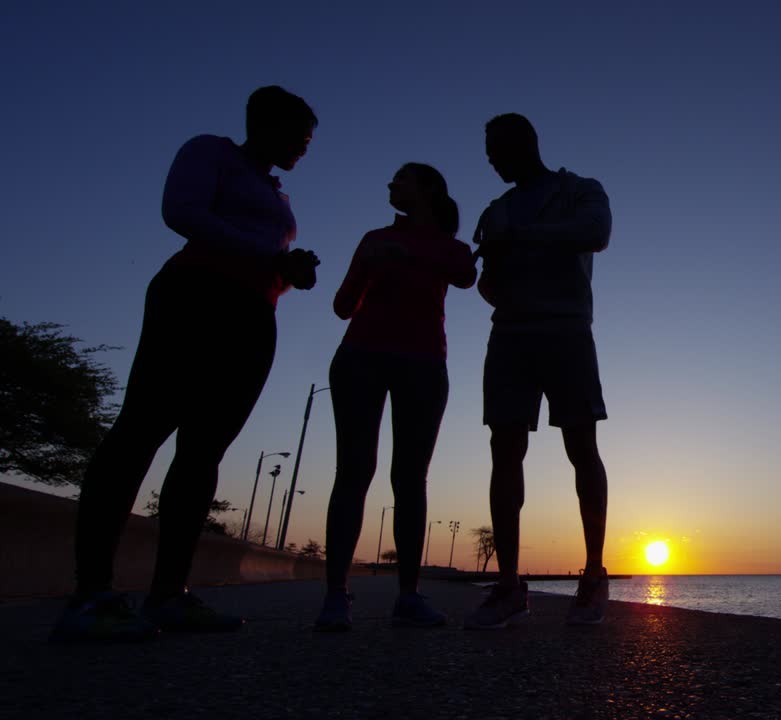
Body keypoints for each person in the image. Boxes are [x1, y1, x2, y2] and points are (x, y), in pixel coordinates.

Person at [52, 86, 321, 642]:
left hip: (254, 313)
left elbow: (260, 253)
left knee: (203, 452)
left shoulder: (277, 193)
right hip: (195, 297)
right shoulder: (210, 151)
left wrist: (290, 271)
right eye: (299, 135)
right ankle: (91, 595)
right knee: (140, 431)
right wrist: (271, 255)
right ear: (265, 123)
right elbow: (182, 213)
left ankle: (168, 595)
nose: (304, 147)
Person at [463, 113, 612, 629]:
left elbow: (596, 232)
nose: (491, 161)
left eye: (496, 150)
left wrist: (520, 237)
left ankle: (593, 575)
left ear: (524, 143)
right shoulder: (495, 209)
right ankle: (508, 585)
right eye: (488, 152)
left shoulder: (580, 189)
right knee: (504, 450)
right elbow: (486, 283)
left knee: (581, 446)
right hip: (509, 335)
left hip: (568, 331)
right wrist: (496, 278)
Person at [314, 164, 476, 631]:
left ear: (429, 190)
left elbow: (465, 274)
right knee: (353, 471)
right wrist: (371, 265)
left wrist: (406, 255)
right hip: (359, 358)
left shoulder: (450, 246)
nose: (391, 184)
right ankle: (335, 595)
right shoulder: (374, 239)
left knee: (410, 479)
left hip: (423, 364)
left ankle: (408, 596)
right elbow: (342, 306)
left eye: (402, 178)